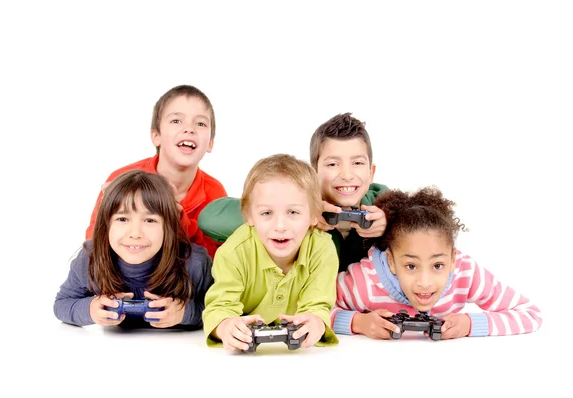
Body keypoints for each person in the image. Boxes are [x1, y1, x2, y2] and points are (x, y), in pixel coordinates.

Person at [331, 186, 543, 339]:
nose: (425, 282)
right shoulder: (365, 282)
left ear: (452, 259)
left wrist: (470, 324)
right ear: (391, 262)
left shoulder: (466, 274)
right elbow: (312, 308)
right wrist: (359, 323)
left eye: (438, 266)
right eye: (411, 266)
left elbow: (530, 313)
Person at [198, 112, 389, 272]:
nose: (347, 175)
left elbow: (415, 226)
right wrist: (300, 216)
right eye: (332, 164)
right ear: (313, 172)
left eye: (357, 163)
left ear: (371, 172)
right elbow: (210, 218)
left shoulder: (383, 205)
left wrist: (389, 226)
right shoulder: (294, 200)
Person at [202, 154, 339, 351]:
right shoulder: (233, 253)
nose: (280, 226)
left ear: (314, 216)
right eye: (267, 213)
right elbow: (219, 307)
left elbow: (318, 305)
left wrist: (316, 321)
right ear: (250, 216)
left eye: (293, 212)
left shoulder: (322, 249)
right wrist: (224, 327)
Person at [54, 169, 213, 330]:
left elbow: (221, 308)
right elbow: (62, 304)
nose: (135, 233)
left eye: (150, 220)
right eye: (122, 219)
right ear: (106, 224)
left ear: (169, 227)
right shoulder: (90, 258)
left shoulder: (194, 263)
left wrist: (186, 312)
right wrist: (90, 309)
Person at [85, 84, 226, 260]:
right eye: (176, 121)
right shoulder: (122, 179)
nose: (189, 128)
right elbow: (94, 241)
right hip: (126, 275)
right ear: (156, 136)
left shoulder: (214, 193)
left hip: (182, 281)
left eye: (200, 123)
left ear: (210, 143)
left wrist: (178, 218)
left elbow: (217, 258)